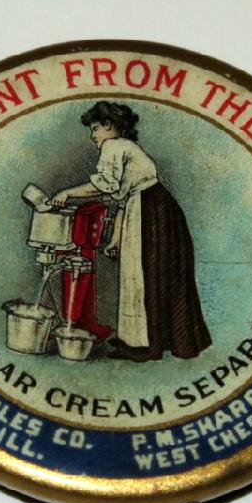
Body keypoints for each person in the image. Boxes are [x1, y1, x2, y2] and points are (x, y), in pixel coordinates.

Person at [49, 101, 211, 361]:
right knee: (152, 275)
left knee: (140, 275)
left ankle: (142, 346)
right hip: (156, 210)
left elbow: (104, 185)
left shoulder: (114, 145)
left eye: (95, 129)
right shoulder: (128, 148)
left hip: (148, 211)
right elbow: (123, 201)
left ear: (108, 125)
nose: (93, 136)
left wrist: (67, 193)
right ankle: (146, 340)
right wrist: (115, 239)